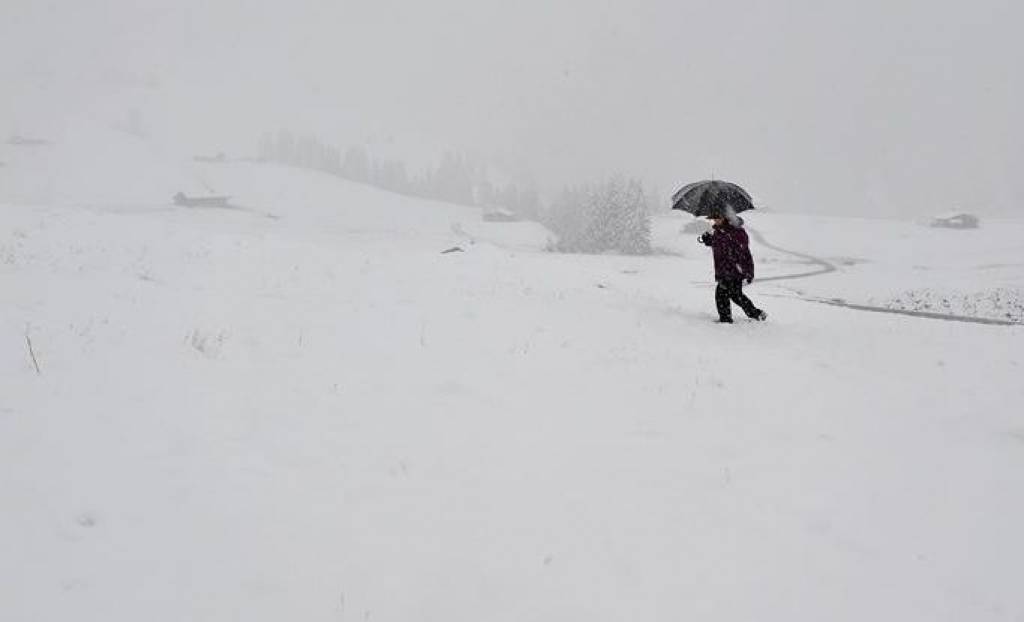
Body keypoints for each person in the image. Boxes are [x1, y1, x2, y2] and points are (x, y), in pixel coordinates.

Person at [698, 207, 767, 323]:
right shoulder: (719, 231)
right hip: (724, 269)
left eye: (717, 218)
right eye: (714, 219)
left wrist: (747, 272)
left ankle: (728, 319)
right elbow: (719, 245)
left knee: (723, 294)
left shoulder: (737, 231)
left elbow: (739, 248)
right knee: (734, 295)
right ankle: (756, 314)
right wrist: (708, 240)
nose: (715, 221)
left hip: (735, 270)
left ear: (725, 218)